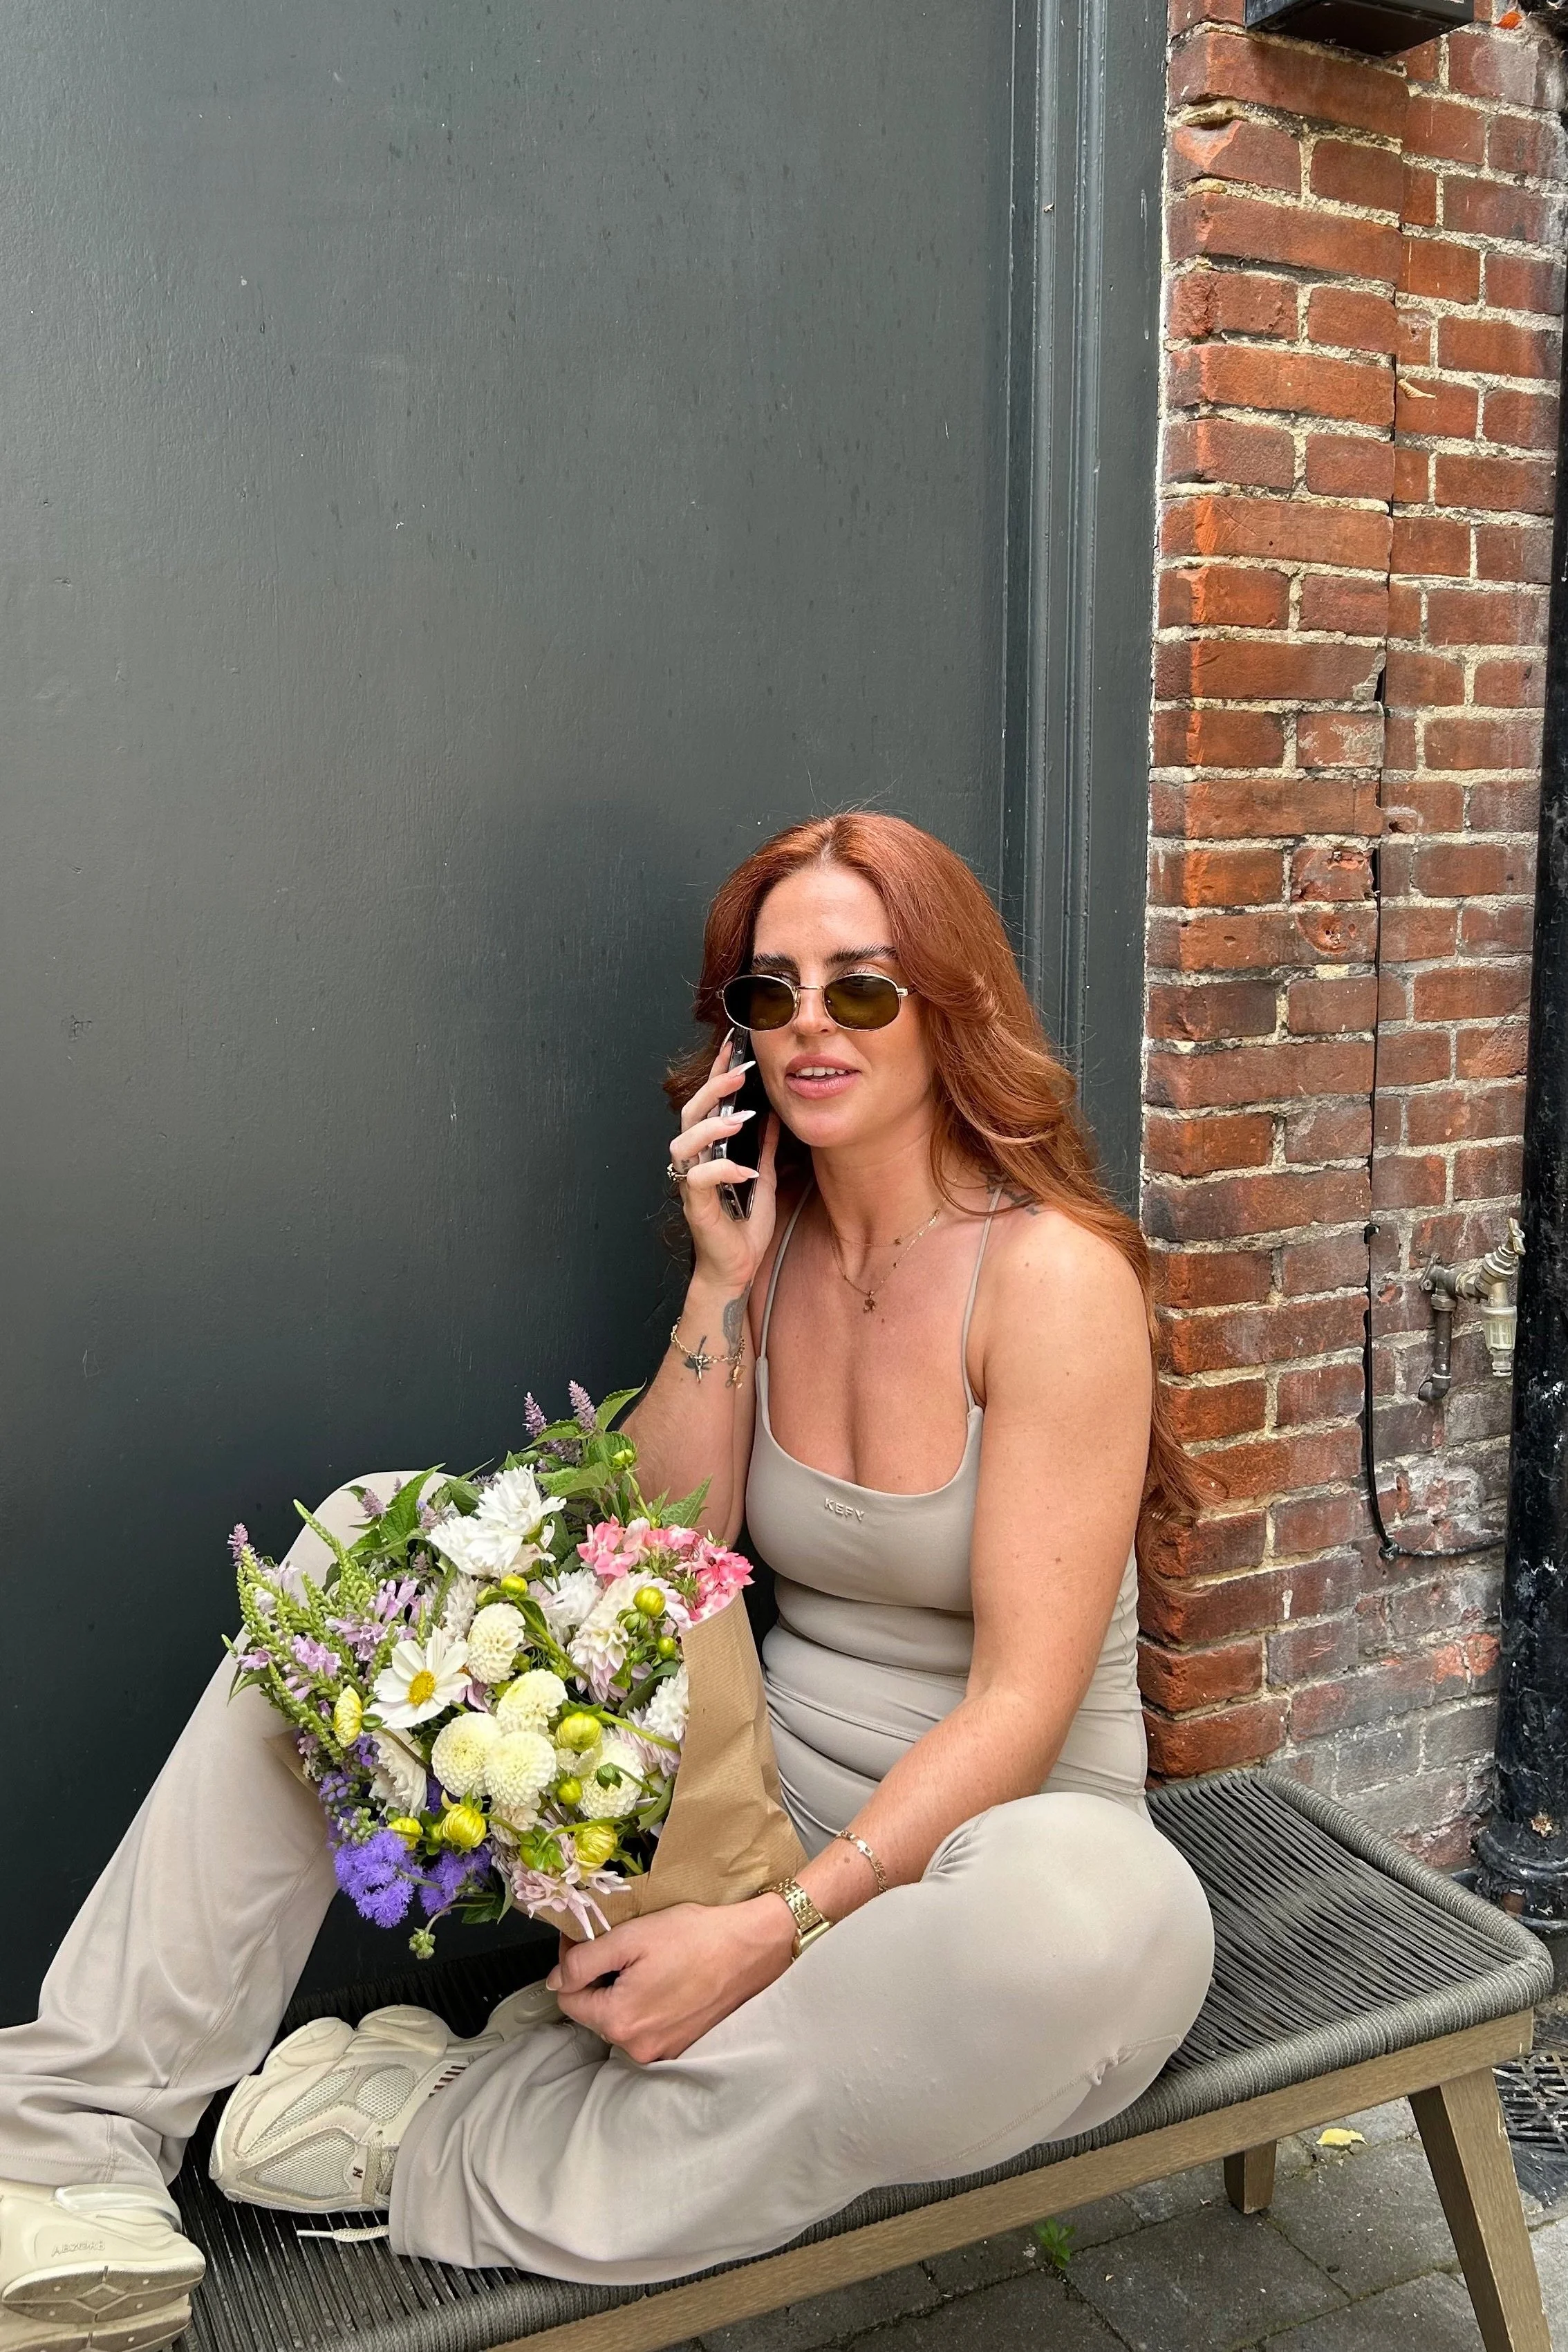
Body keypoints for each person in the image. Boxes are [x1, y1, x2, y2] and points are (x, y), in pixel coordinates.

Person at [0, 814, 1213, 2351]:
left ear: (954, 1002)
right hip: (738, 1809)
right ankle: (61, 2146)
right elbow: (650, 1561)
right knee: (373, 1539)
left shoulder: (1052, 1276)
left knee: (1093, 1925)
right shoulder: (768, 1247)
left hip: (986, 1863)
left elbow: (1023, 1707)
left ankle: (433, 2131)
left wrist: (778, 1930)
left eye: (863, 987)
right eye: (770, 996)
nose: (810, 1030)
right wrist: (718, 1282)